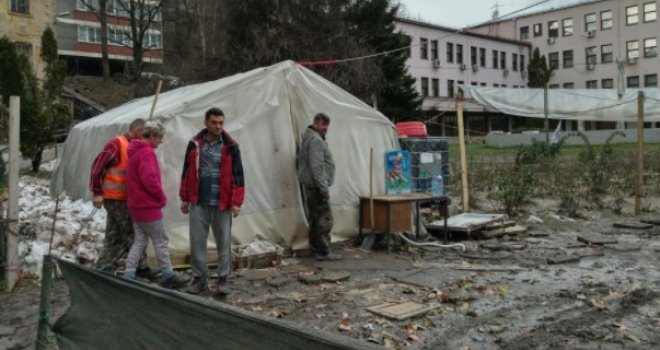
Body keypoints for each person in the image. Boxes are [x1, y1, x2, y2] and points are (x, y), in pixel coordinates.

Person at [179, 108, 245, 295]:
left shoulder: (231, 146)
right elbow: (186, 171)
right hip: (198, 201)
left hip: (222, 202)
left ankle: (223, 279)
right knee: (197, 242)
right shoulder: (194, 144)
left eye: (221, 123)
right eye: (214, 123)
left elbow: (238, 176)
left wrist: (237, 202)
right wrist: (184, 197)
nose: (218, 126)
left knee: (223, 242)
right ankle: (199, 278)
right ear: (206, 123)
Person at [89, 118, 158, 278]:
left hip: (122, 198)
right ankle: (141, 268)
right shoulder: (117, 144)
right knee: (132, 233)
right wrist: (97, 192)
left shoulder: (133, 147)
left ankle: (104, 267)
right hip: (116, 199)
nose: (145, 137)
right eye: (144, 134)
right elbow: (97, 167)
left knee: (115, 234)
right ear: (138, 131)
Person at [123, 121, 188, 289]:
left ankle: (129, 274)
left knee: (140, 240)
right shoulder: (146, 153)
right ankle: (168, 275)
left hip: (135, 206)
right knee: (161, 240)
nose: (161, 141)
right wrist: (161, 197)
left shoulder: (133, 152)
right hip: (148, 206)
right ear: (151, 136)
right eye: (159, 137)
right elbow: (149, 179)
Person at [298, 113, 341, 261]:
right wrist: (323, 187)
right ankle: (323, 250)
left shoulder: (309, 137)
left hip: (311, 184)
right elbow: (317, 166)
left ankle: (315, 248)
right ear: (316, 123)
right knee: (324, 218)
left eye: (327, 125)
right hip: (316, 185)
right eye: (323, 125)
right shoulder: (315, 140)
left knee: (315, 218)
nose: (325, 128)